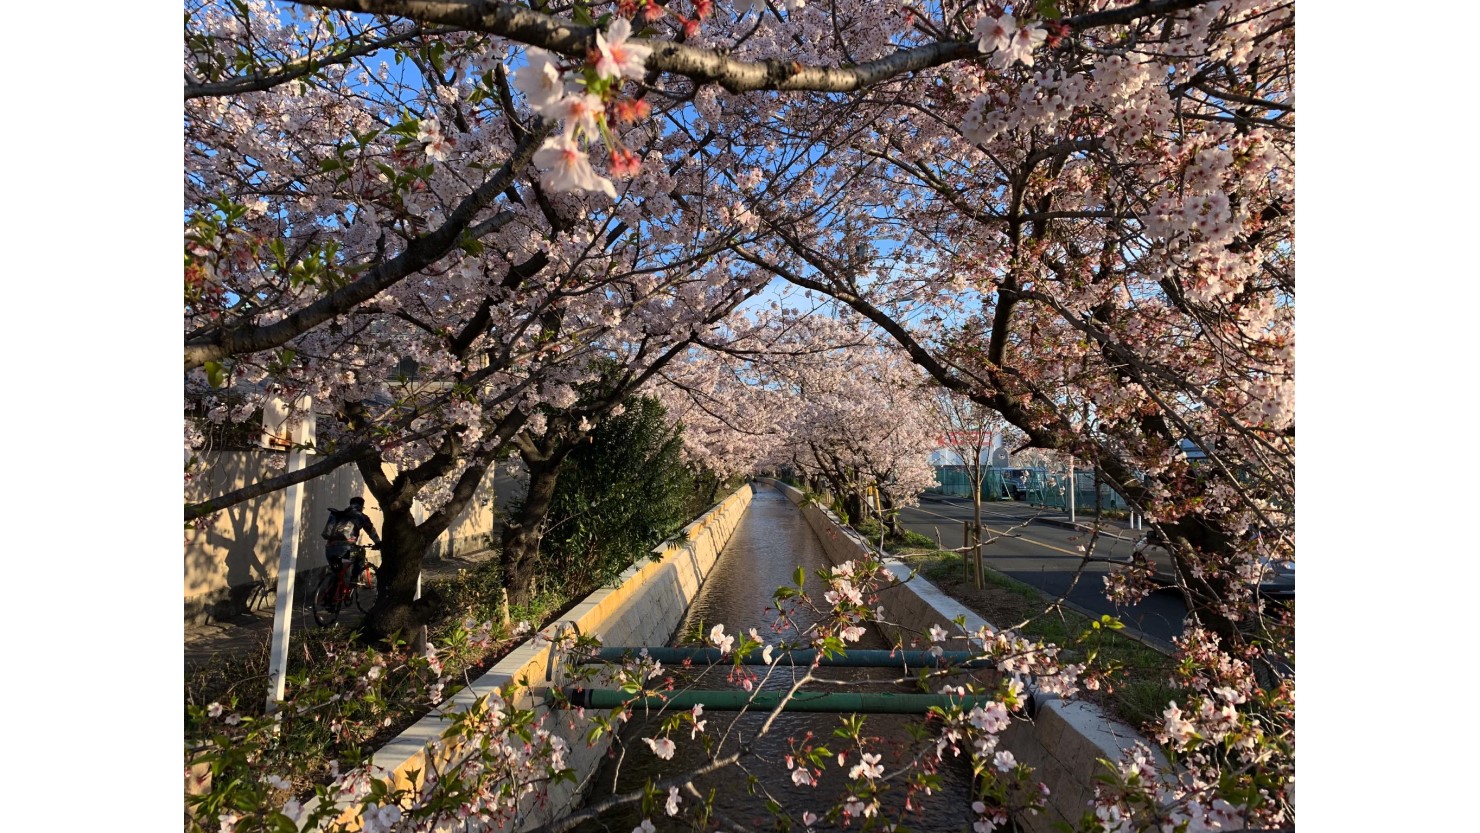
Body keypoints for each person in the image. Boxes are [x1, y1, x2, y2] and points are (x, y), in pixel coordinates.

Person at [322, 496, 382, 570]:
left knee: (338, 573)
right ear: (361, 506)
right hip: (345, 549)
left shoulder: (340, 514)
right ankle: (355, 579)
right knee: (360, 554)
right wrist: (378, 543)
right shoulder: (361, 517)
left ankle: (334, 579)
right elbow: (370, 530)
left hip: (329, 550)